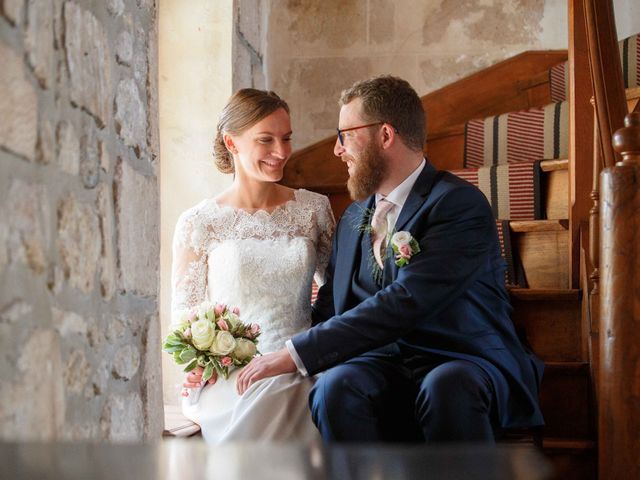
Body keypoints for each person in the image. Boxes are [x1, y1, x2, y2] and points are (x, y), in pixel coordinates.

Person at [236, 75, 544, 442]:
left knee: (447, 387)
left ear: (385, 135)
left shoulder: (457, 204)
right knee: (336, 386)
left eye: (345, 135)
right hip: (382, 362)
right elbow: (330, 309)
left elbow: (407, 300)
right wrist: (255, 352)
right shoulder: (352, 218)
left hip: (459, 356)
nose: (337, 150)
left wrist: (295, 355)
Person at [172, 88, 335, 444]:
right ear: (232, 143)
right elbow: (185, 315)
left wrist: (313, 349)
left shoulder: (315, 211)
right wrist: (201, 361)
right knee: (266, 389)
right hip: (231, 371)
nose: (281, 152)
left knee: (293, 389)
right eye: (266, 140)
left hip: (300, 359)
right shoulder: (200, 222)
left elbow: (339, 291)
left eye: (287, 138)